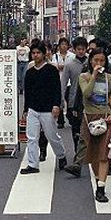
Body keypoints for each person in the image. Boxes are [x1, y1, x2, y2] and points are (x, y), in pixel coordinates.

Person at [77, 48, 111, 202]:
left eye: (102, 61)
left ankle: (101, 188)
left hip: (106, 118)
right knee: (94, 154)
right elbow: (87, 94)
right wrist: (94, 76)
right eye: (96, 60)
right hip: (89, 118)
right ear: (90, 61)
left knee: (103, 154)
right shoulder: (83, 77)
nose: (99, 63)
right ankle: (97, 178)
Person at [20, 40, 68, 174]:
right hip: (33, 109)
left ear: (44, 54)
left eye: (38, 53)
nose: (35, 55)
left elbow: (56, 89)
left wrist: (57, 105)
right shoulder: (29, 73)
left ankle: (61, 155)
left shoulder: (51, 70)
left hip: (48, 109)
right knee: (32, 137)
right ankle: (33, 164)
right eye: (33, 53)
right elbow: (27, 92)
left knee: (52, 135)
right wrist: (25, 109)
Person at [61, 36, 89, 149]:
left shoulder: (91, 62)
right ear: (74, 49)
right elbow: (63, 83)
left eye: (83, 49)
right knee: (75, 128)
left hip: (89, 100)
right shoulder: (69, 65)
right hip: (73, 101)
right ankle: (77, 150)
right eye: (79, 49)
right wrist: (61, 100)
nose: (81, 51)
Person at [52, 37, 74, 129]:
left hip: (69, 82)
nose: (64, 46)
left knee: (69, 100)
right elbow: (55, 67)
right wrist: (65, 67)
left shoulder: (72, 55)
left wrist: (62, 67)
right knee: (59, 100)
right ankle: (60, 121)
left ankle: (70, 116)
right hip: (59, 80)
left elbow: (72, 67)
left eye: (65, 44)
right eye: (62, 44)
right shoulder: (56, 56)